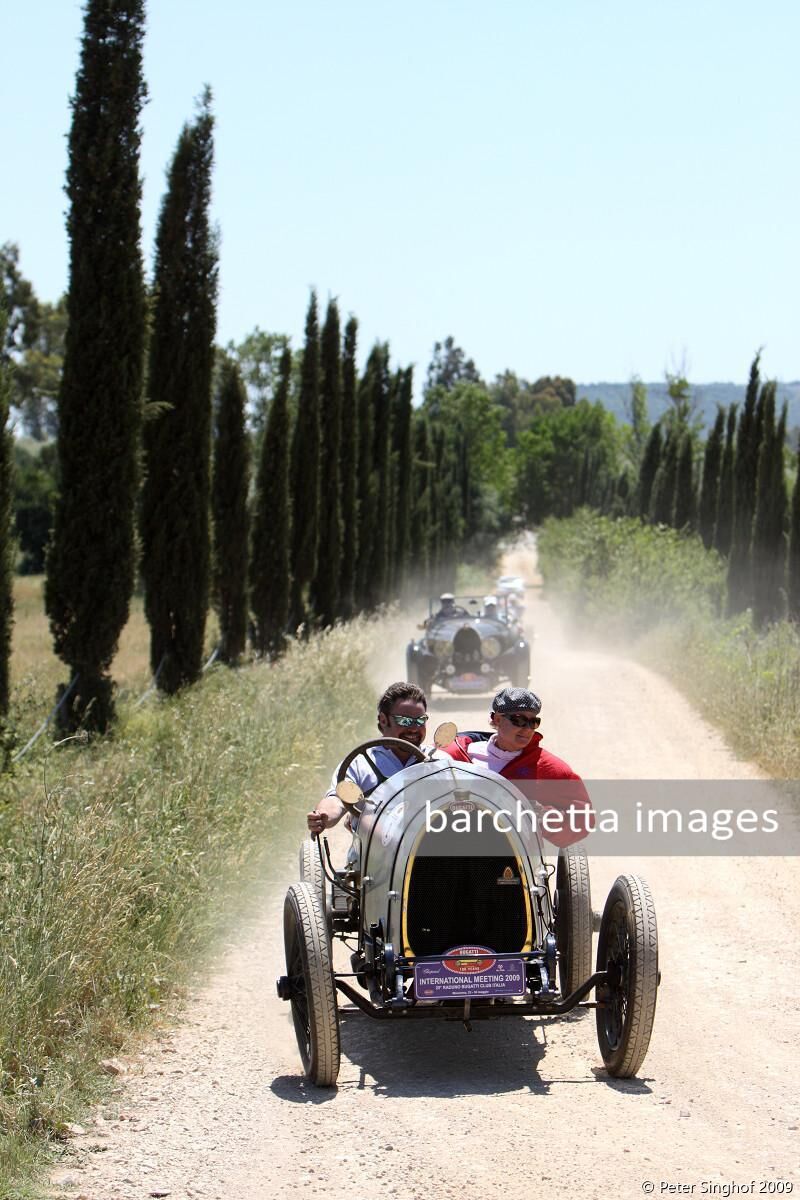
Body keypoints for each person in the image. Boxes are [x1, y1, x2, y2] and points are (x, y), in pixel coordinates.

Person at [439, 686, 592, 848]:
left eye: (534, 722)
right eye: (519, 720)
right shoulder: (459, 755)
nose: (527, 729)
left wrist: (545, 818)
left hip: (512, 859)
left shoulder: (547, 767)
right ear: (497, 719)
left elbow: (585, 819)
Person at [306, 681, 438, 836]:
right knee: (367, 819)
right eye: (405, 721)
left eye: (420, 720)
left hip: (427, 847)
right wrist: (323, 816)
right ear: (383, 720)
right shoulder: (360, 763)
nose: (414, 728)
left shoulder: (439, 761)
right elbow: (337, 800)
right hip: (375, 852)